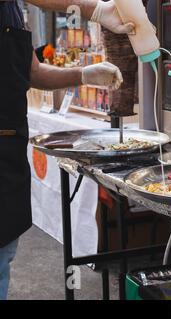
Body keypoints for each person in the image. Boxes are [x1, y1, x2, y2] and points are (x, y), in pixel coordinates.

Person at [0, 0, 134, 300]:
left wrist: (84, 74)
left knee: (4, 254)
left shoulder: (12, 11)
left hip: (8, 155)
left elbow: (32, 73)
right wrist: (93, 9)